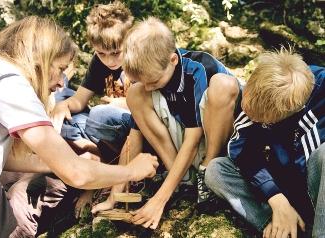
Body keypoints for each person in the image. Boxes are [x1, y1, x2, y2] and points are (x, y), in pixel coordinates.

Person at [0, 16, 158, 238]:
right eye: (60, 68)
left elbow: (3, 157)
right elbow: (76, 174)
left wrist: (58, 163)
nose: (61, 82)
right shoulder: (7, 82)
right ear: (41, 59)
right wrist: (131, 170)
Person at [92, 17, 240, 229]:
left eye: (153, 82)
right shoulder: (149, 78)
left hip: (216, 141)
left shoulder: (198, 69)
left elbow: (193, 138)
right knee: (134, 93)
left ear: (173, 60)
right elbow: (134, 136)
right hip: (184, 143)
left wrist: (159, 200)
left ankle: (205, 175)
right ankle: (180, 180)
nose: (150, 88)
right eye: (145, 82)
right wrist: (115, 194)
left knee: (223, 85)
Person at [204, 48, 325, 237]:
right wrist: (276, 198)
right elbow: (243, 151)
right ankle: (281, 225)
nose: (247, 114)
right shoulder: (258, 95)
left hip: (316, 191)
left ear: (286, 113)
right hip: (280, 185)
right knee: (216, 170)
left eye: (260, 120)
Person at [51, 1, 134, 155]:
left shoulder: (139, 58)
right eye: (101, 53)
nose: (109, 61)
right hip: (106, 129)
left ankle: (92, 150)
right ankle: (93, 149)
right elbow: (79, 100)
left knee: (99, 114)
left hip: (135, 127)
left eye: (116, 53)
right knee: (59, 96)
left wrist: (124, 104)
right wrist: (64, 105)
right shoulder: (98, 62)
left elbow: (159, 106)